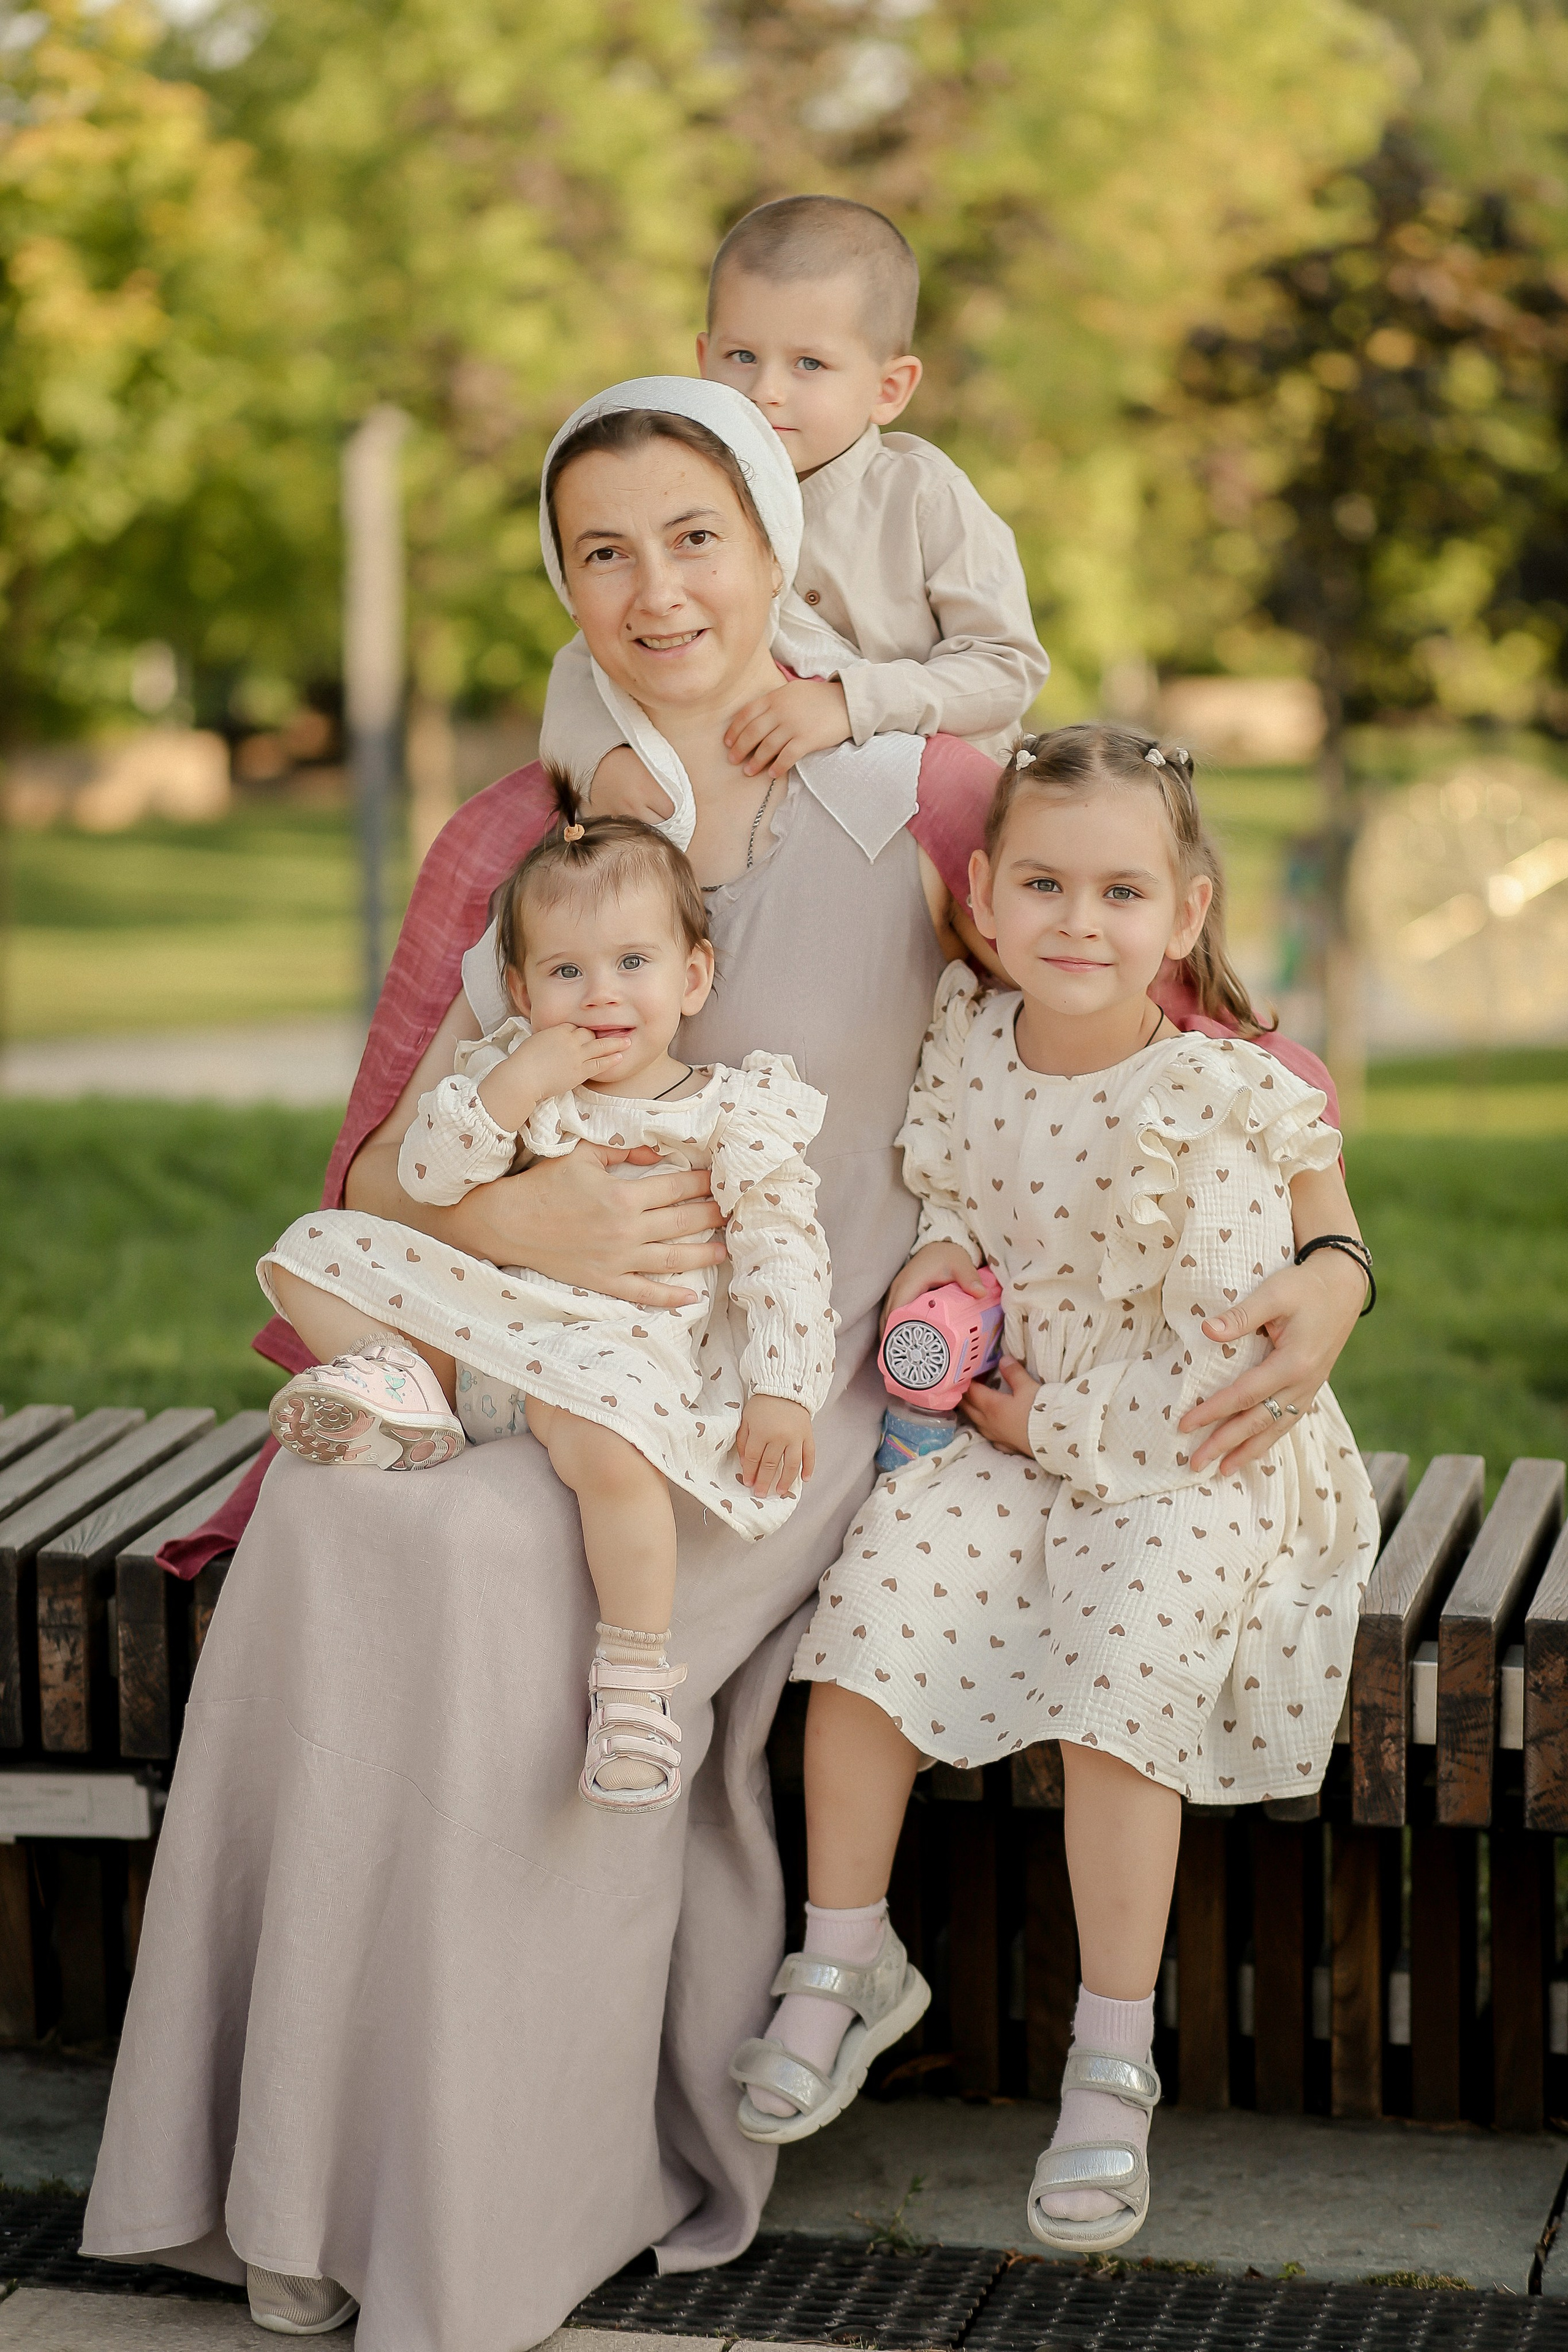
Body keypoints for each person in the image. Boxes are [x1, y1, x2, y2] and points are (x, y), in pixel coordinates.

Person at [81, 379, 1371, 2352]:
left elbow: (1197, 1017)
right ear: (561, 584)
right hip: (549, 1343)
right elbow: (372, 1157)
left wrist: (1335, 1259)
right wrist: (502, 1224)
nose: (656, 588)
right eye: (602, 549)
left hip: (815, 1373)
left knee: (499, 1570)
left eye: (698, 536)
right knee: (350, 1534)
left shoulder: (932, 795)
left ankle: (506, 2197)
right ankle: (283, 2176)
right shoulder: (521, 830)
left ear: (780, 548)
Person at [729, 725, 1378, 2259]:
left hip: (1181, 1445)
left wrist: (1048, 1431)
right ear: (978, 892)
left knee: (1114, 1683)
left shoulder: (1211, 1100)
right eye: (1042, 882)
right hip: (1012, 1421)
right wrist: (942, 1260)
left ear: (1186, 909)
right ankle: (841, 1958)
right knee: (866, 1615)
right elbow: (954, 1188)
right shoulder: (967, 1034)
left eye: (1119, 889)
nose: (1077, 919)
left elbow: (1221, 1360)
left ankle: (1108, 2050)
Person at [260, 813, 833, 1812]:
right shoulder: (510, 1086)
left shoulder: (729, 1112)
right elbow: (430, 1180)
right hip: (484, 1337)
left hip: (609, 1362)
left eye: (632, 961)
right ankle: (411, 1394)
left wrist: (782, 1391)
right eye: (566, 973)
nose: (602, 992)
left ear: (693, 979)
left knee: (616, 1462)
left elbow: (785, 1257)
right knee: (313, 1249)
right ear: (520, 995)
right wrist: (517, 1078)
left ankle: (632, 1687)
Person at [543, 194, 1050, 823]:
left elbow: (1006, 668)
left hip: (941, 822)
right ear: (703, 362)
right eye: (742, 358)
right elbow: (585, 660)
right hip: (754, 815)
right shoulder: (689, 498)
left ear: (888, 389)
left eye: (809, 363)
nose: (766, 392)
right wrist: (600, 758)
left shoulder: (921, 495)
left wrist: (848, 704)